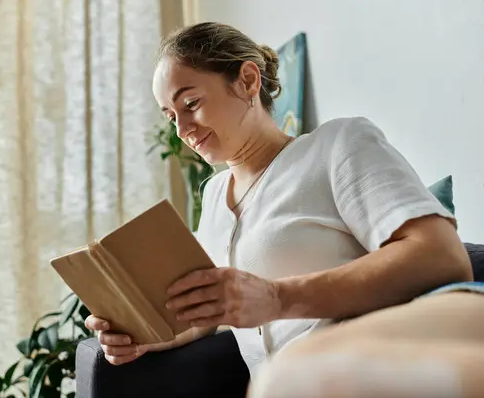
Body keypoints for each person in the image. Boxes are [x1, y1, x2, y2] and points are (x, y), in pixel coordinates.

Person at [84, 22, 484, 397]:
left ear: (247, 81)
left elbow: (442, 255)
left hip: (367, 366)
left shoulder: (336, 146)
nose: (182, 129)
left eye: (190, 103)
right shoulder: (214, 195)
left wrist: (277, 297)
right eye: (171, 117)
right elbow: (209, 316)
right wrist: (147, 334)